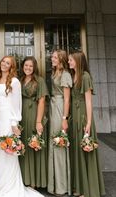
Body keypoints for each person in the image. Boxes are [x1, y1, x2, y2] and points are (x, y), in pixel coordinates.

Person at [0, 56, 44, 197]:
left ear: (12, 66)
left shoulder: (15, 81)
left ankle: (9, 184)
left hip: (8, 119)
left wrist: (14, 123)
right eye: (3, 62)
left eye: (8, 63)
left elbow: (17, 103)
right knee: (0, 149)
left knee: (8, 150)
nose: (5, 64)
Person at [68, 51, 105, 197]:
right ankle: (80, 186)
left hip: (83, 114)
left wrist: (88, 122)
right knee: (77, 151)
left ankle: (88, 189)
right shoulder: (73, 75)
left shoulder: (85, 76)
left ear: (77, 60)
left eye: (71, 60)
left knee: (85, 150)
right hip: (75, 116)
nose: (69, 62)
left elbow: (88, 101)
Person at [19, 56, 49, 189]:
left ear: (34, 67)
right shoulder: (20, 80)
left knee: (33, 144)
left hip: (34, 113)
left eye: (31, 66)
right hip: (21, 114)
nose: (28, 68)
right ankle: (24, 178)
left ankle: (35, 180)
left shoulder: (39, 80)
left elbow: (42, 101)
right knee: (23, 145)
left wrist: (38, 121)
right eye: (26, 65)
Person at [47, 50, 72, 196]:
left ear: (61, 59)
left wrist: (64, 118)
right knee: (54, 143)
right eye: (53, 56)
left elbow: (67, 99)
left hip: (60, 108)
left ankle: (61, 186)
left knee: (59, 143)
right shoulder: (55, 73)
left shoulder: (65, 75)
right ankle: (54, 184)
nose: (52, 58)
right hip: (53, 106)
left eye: (55, 57)